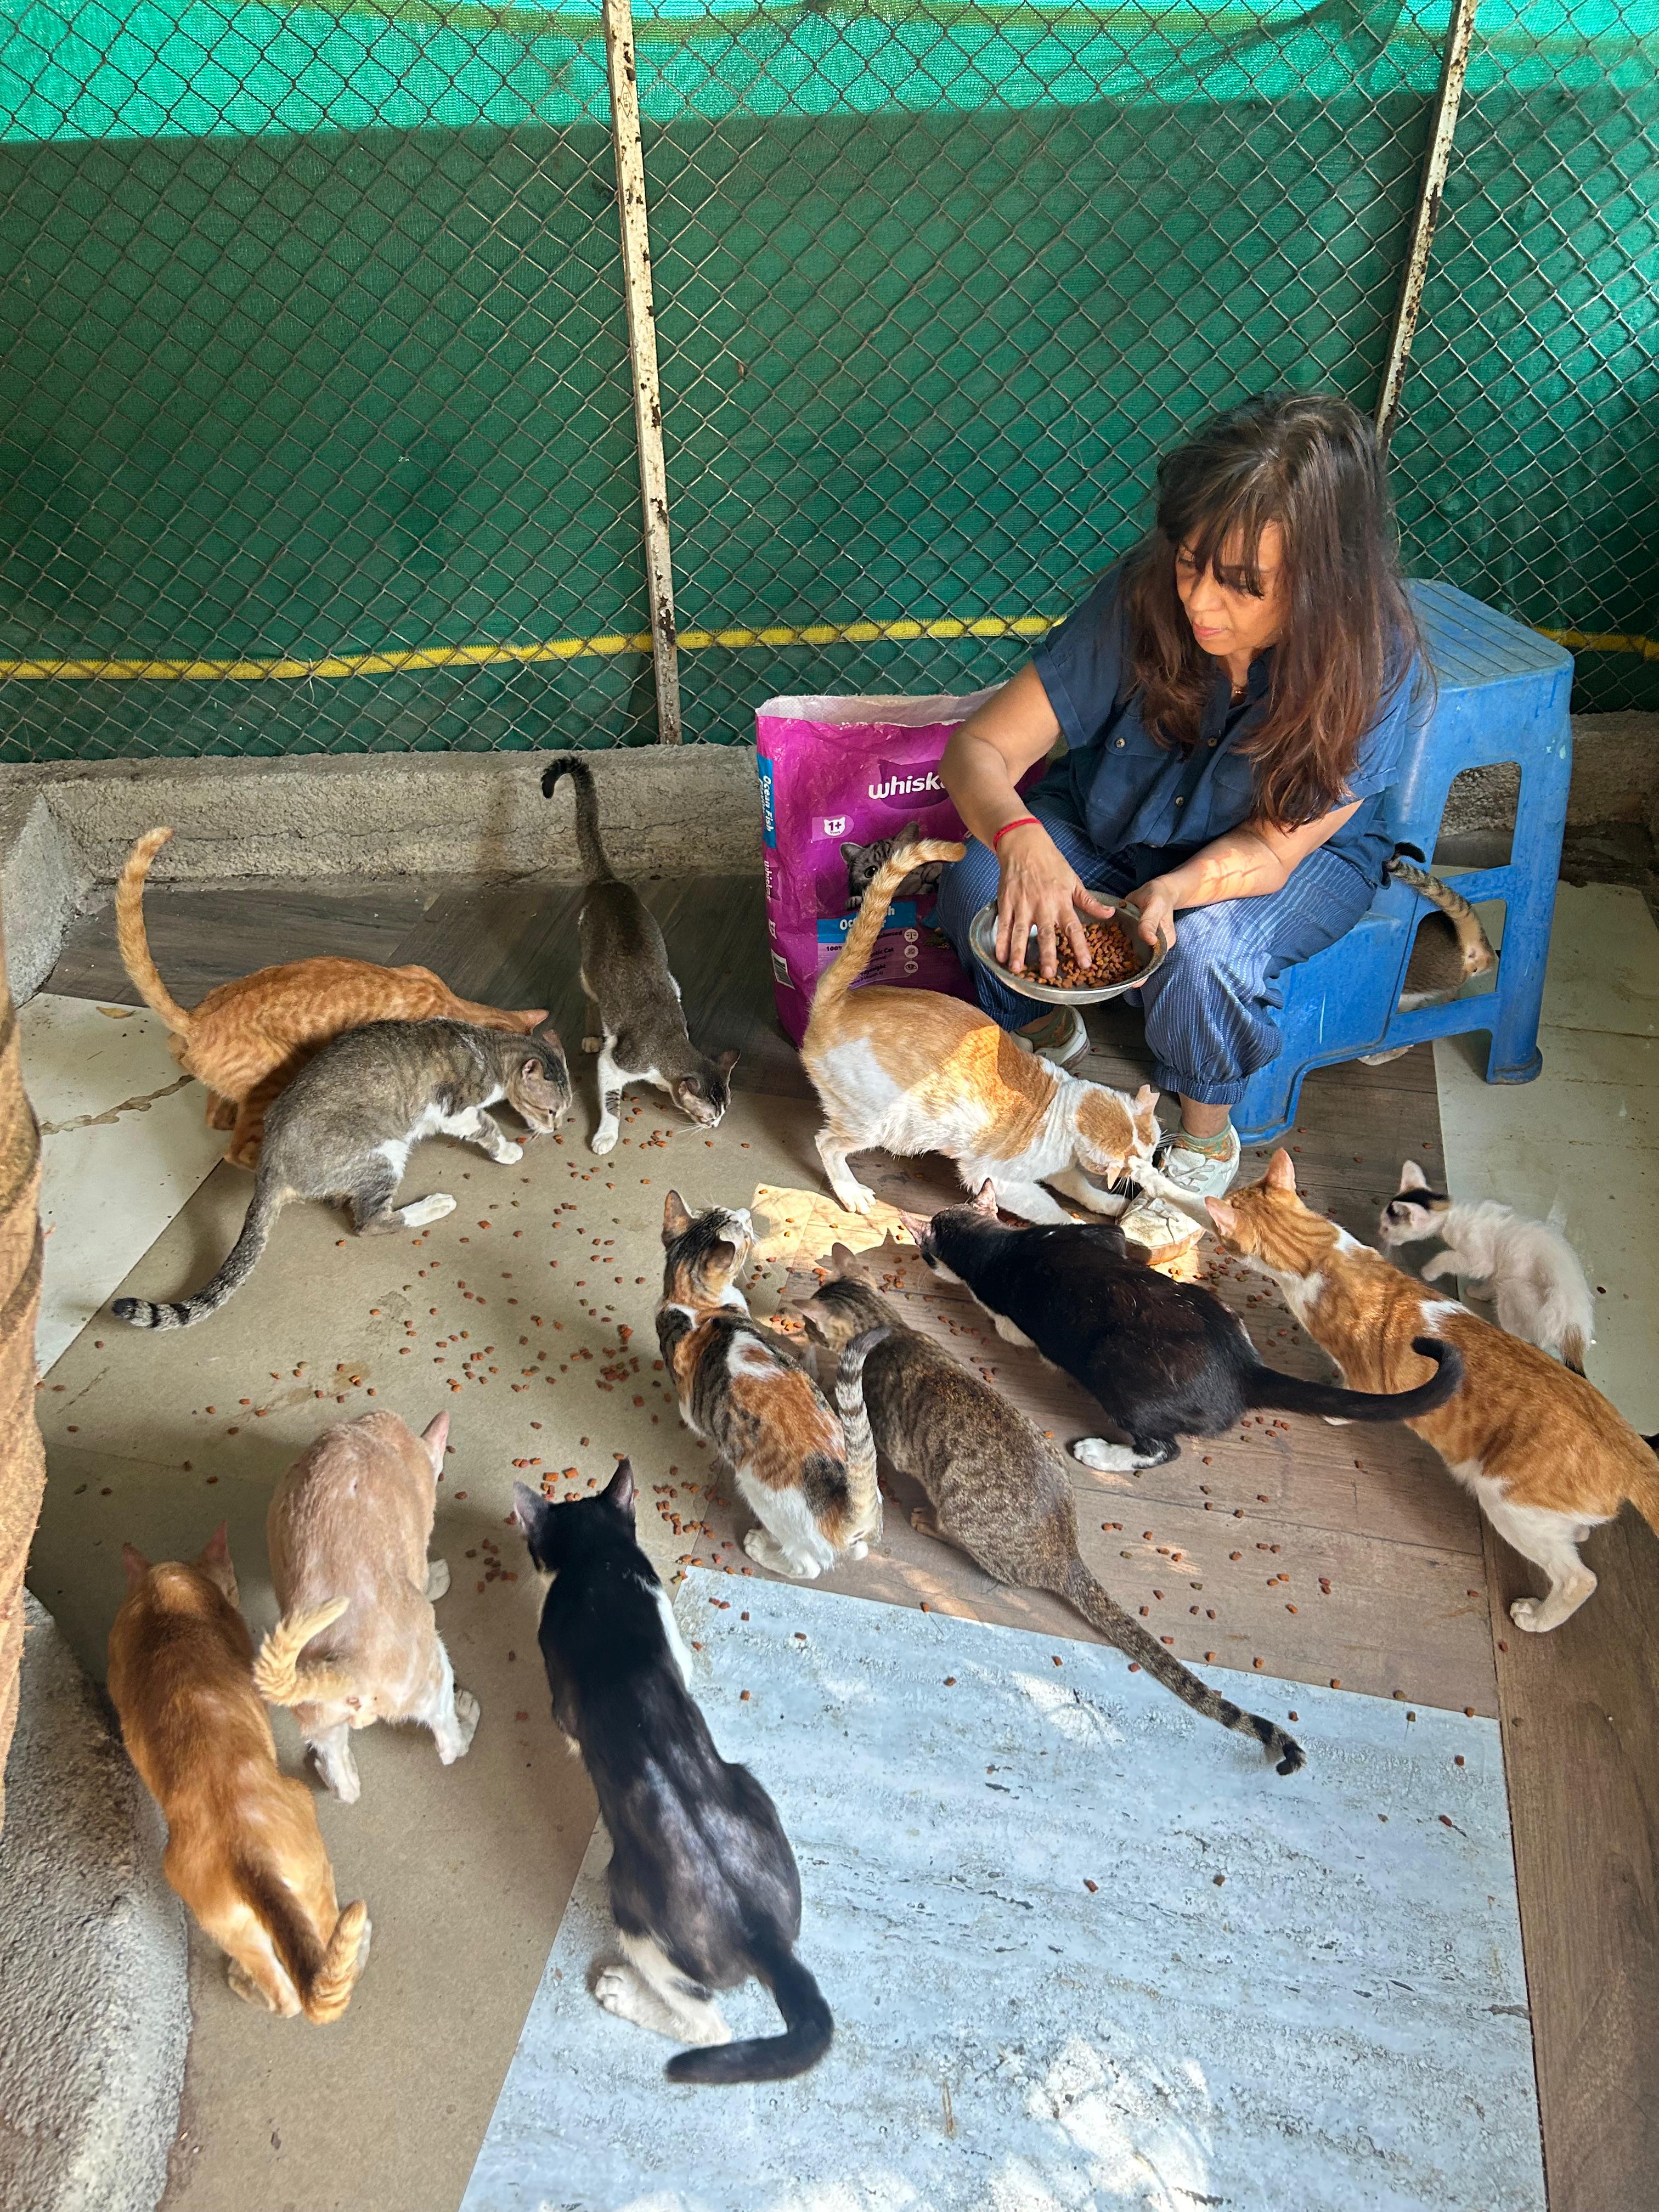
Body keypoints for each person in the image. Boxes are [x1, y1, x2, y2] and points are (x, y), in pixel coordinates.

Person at [935, 391, 1427, 1250]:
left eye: (1243, 586)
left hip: (1284, 856)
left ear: (1322, 583)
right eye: (1192, 562)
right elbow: (979, 751)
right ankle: (1051, 1024)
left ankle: (1204, 1137)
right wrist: (1022, 844)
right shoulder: (1141, 596)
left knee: (1204, 953)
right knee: (977, 886)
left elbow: (1273, 852)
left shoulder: (1375, 668)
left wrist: (1181, 889)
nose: (1202, 600)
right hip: (1117, 820)